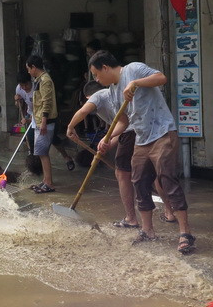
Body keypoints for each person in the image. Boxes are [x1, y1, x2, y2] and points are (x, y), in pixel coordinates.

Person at [93, 51, 195, 254]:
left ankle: (185, 233)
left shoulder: (133, 69)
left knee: (167, 180)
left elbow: (161, 78)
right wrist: (108, 138)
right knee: (139, 182)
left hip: (162, 133)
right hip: (141, 139)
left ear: (105, 67)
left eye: (96, 74)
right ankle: (148, 231)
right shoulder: (113, 92)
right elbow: (124, 121)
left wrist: (136, 83)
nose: (96, 79)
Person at [66, 81, 176, 228]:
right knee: (154, 175)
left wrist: (70, 127)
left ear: (88, 97)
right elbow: (121, 128)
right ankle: (170, 212)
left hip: (131, 132)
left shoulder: (98, 95)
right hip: (140, 132)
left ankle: (131, 218)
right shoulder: (113, 97)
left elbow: (83, 112)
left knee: (122, 174)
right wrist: (106, 144)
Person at [26, 55, 59, 193]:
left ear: (34, 67)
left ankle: (49, 183)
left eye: (29, 69)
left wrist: (44, 121)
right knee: (40, 152)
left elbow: (47, 101)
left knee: (43, 152)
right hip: (39, 120)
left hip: (45, 121)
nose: (28, 72)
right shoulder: (39, 80)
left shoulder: (45, 80)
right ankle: (45, 181)